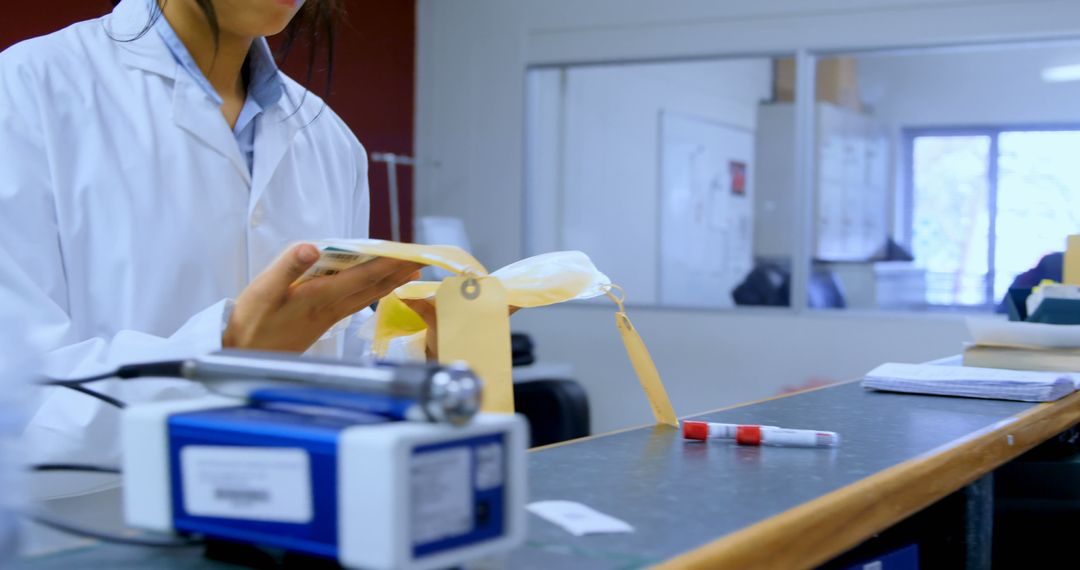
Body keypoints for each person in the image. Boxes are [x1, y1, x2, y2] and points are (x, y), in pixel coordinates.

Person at [0, 0, 422, 499]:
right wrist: (231, 352)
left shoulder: (328, 138)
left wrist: (419, 351)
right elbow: (20, 406)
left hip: (287, 517)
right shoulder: (26, 92)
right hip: (93, 526)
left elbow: (339, 351)